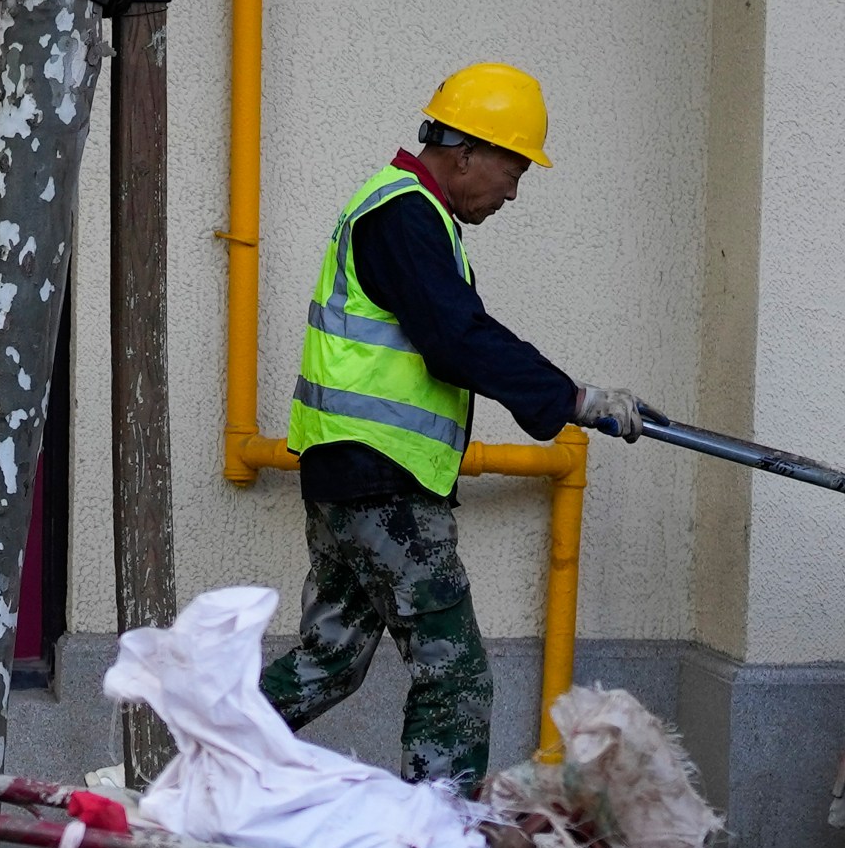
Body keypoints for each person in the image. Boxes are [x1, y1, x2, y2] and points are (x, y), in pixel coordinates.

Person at [260, 63, 646, 791]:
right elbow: (456, 337)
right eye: (511, 168)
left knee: (328, 662)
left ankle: (186, 765)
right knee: (456, 678)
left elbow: (445, 335)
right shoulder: (403, 214)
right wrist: (569, 397)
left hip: (349, 476)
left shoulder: (401, 210)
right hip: (383, 483)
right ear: (464, 151)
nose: (513, 190)